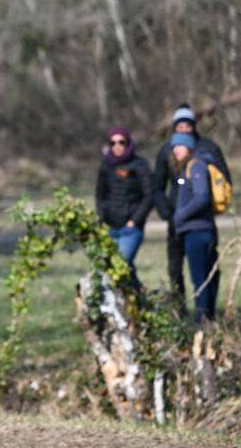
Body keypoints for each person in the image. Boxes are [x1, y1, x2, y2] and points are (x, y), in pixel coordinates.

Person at [153, 103, 230, 300]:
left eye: (188, 124)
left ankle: (206, 312)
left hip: (201, 218)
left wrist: (210, 205)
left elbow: (224, 179)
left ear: (194, 125)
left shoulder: (208, 149)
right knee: (175, 267)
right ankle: (180, 307)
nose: (184, 128)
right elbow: (157, 187)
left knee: (209, 267)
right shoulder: (166, 151)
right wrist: (167, 214)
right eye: (180, 124)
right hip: (175, 218)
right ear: (174, 126)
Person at [170, 132, 219, 324]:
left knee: (200, 279)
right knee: (205, 276)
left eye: (180, 146)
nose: (176, 149)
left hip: (198, 231)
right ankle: (208, 318)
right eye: (174, 146)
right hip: (194, 230)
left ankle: (201, 320)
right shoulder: (187, 168)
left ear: (189, 147)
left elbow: (202, 197)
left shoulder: (196, 166)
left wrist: (180, 215)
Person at [95, 127, 152, 279]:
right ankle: (138, 298)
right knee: (114, 269)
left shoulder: (139, 165)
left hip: (130, 229)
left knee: (121, 264)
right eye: (113, 143)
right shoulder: (106, 165)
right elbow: (100, 195)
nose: (117, 146)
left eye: (121, 142)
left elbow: (149, 195)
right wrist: (100, 217)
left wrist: (135, 220)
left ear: (128, 143)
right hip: (109, 227)